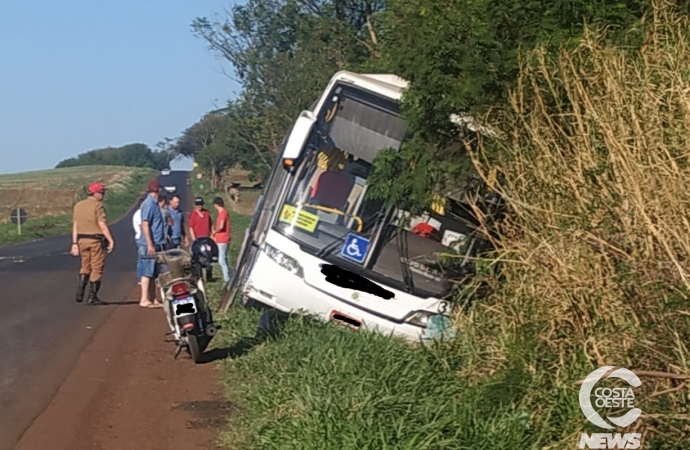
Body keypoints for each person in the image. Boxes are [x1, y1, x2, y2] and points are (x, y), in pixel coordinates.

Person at [71, 182, 114, 305]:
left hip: (81, 240)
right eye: (102, 192)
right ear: (96, 194)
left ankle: (80, 289)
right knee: (97, 267)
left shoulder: (78, 205)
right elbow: (102, 224)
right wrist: (110, 239)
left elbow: (75, 225)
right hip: (95, 240)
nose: (103, 195)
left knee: (85, 265)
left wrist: (74, 243)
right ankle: (92, 297)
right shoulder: (98, 206)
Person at [137, 180, 167, 308]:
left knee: (154, 273)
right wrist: (150, 244)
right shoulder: (149, 204)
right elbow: (145, 224)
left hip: (156, 242)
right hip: (149, 244)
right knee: (147, 272)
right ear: (158, 190)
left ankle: (153, 298)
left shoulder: (154, 204)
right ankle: (144, 299)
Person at [188, 196, 214, 281]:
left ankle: (209, 276)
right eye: (198, 204)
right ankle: (200, 276)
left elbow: (211, 224)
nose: (199, 206)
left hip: (206, 238)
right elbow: (191, 227)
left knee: (208, 257)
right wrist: (194, 239)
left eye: (201, 204)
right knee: (197, 258)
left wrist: (212, 235)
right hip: (198, 239)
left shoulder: (207, 213)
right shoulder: (193, 214)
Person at [211, 197, 231, 283]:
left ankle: (227, 278)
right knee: (224, 258)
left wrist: (214, 231)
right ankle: (227, 276)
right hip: (222, 239)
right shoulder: (223, 213)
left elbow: (221, 226)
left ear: (216, 205)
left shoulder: (222, 213)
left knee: (221, 260)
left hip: (222, 239)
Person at [132, 206, 143, 285]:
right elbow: (142, 226)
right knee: (142, 259)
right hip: (140, 237)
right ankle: (140, 278)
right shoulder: (139, 213)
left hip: (142, 238)